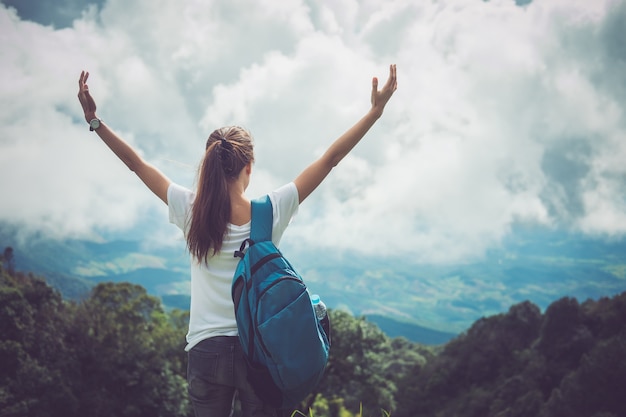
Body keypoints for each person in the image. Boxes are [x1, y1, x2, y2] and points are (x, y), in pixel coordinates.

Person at [77, 64, 397, 417]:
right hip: (258, 351)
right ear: (249, 166)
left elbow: (136, 164)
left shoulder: (190, 209)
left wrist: (95, 122)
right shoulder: (271, 211)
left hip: (206, 351)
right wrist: (375, 112)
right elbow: (330, 160)